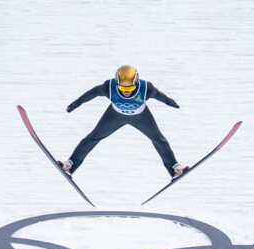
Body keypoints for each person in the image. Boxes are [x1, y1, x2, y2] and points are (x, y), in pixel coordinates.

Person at [59, 65, 188, 179]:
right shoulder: (109, 87)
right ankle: (70, 165)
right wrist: (76, 103)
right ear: (117, 83)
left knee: (159, 140)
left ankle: (174, 169)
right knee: (93, 137)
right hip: (115, 115)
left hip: (141, 116)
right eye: (122, 87)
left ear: (136, 82)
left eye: (130, 88)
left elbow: (160, 95)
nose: (126, 92)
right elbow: (92, 93)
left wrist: (170, 102)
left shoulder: (146, 88)